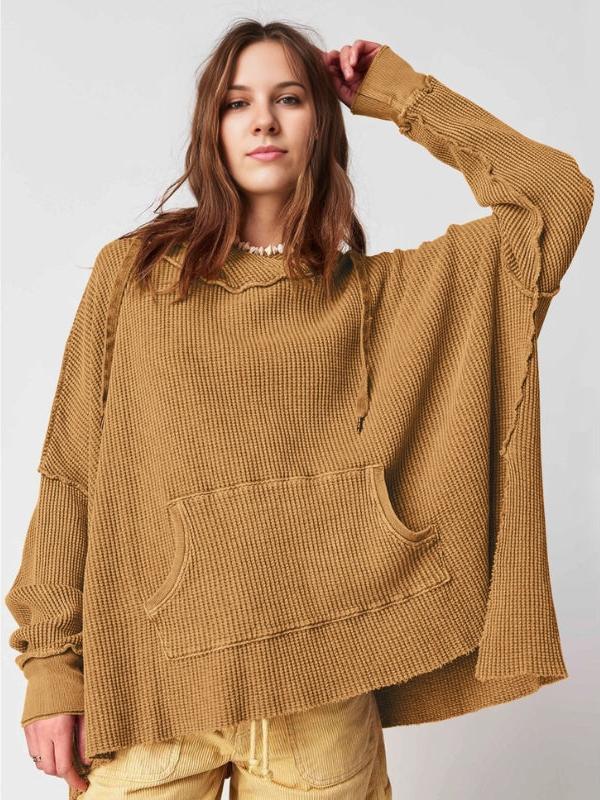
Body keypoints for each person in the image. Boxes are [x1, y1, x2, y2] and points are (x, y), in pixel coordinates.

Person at [5, 17, 593, 800]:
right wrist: (50, 667)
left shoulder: (382, 298)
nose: (262, 121)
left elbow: (555, 197)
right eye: (237, 102)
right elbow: (72, 472)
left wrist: (403, 95)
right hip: (154, 694)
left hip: (321, 698)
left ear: (321, 123)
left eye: (289, 98)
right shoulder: (136, 276)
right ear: (211, 128)